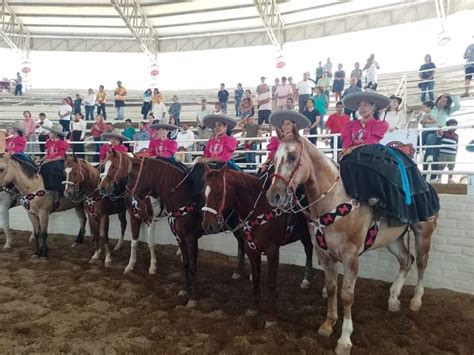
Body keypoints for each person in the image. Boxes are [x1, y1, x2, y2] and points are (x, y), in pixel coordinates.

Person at [340, 90, 439, 224]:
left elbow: (371, 142)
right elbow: (346, 142)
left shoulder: (381, 124)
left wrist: (351, 149)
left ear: (373, 107)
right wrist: (345, 150)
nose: (362, 108)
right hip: (351, 154)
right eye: (360, 105)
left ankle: (377, 198)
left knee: (380, 167)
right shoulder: (350, 125)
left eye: (365, 105)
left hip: (370, 153)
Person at [190, 114, 239, 210]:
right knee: (195, 170)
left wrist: (209, 159)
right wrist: (203, 159)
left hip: (223, 165)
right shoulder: (211, 141)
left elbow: (225, 157)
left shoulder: (230, 140)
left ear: (225, 128)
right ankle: (196, 198)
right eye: (215, 126)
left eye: (219, 125)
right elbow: (207, 154)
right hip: (211, 165)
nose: (217, 128)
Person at [37, 124, 69, 192]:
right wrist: (40, 160)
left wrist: (50, 160)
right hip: (50, 161)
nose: (49, 133)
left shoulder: (62, 142)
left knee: (51, 167)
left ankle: (53, 188)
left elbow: (61, 156)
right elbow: (47, 154)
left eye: (51, 132)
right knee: (41, 168)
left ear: (55, 134)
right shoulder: (49, 141)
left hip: (59, 161)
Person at [437, 119, 458, 183]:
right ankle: (439, 179)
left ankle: (450, 179)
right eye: (453, 125)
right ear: (449, 125)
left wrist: (456, 153)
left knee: (451, 167)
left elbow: (457, 145)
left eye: (456, 125)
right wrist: (440, 128)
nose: (455, 126)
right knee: (441, 166)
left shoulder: (456, 135)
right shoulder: (445, 132)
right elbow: (439, 134)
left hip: (452, 153)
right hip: (443, 152)